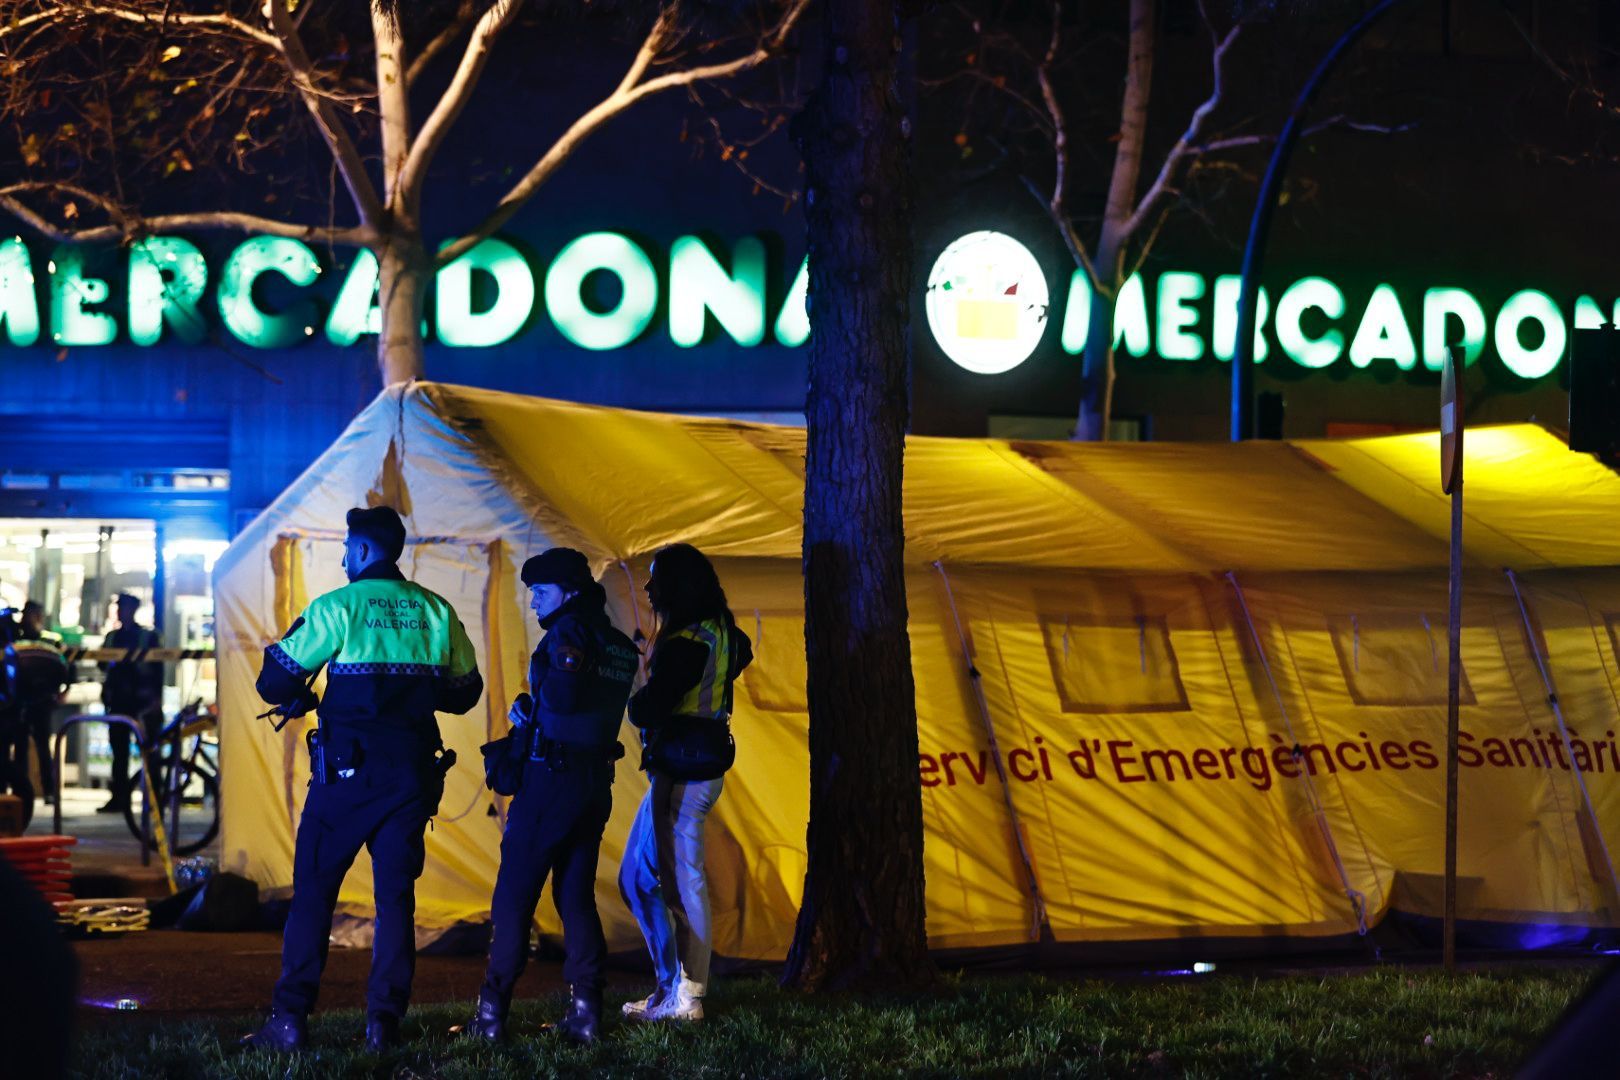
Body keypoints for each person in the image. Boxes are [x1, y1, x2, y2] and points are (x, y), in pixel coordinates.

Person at [243, 506, 483, 1054]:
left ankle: (290, 1021)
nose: (343, 557)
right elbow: (465, 693)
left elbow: (273, 681)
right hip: (413, 777)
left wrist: (306, 691)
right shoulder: (435, 611)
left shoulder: (337, 607)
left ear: (366, 550)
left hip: (344, 780)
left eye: (348, 547)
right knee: (396, 901)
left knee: (314, 897)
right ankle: (384, 1025)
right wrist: (417, 693)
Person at [466, 548, 638, 1044]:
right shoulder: (617, 643)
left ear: (571, 590)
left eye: (541, 591)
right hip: (592, 785)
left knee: (514, 897)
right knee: (575, 896)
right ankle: (587, 1013)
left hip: (551, 783)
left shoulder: (570, 633)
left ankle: (492, 1016)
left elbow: (562, 699)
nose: (534, 600)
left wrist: (531, 711)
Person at [618, 543, 752, 1024]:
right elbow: (741, 655)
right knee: (636, 878)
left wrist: (635, 701)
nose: (649, 588)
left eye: (655, 579)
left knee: (681, 882)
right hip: (696, 768)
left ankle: (688, 995)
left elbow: (649, 708)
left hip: (682, 773)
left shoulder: (683, 643)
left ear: (678, 585)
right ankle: (670, 987)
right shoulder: (722, 632)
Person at [99, 593, 163, 815]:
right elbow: (101, 664)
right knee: (119, 754)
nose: (119, 611)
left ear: (132, 610)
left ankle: (155, 799)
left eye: (123, 607)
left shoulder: (148, 637)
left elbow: (158, 671)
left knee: (150, 752)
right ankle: (119, 798)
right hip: (119, 701)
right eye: (119, 607)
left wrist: (156, 700)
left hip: (143, 703)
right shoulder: (112, 637)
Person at [10, 602, 70, 804]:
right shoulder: (14, 638)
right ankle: (21, 791)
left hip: (42, 700)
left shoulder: (52, 640)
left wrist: (64, 690)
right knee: (20, 748)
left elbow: (67, 666)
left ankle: (49, 791)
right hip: (19, 700)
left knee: (43, 747)